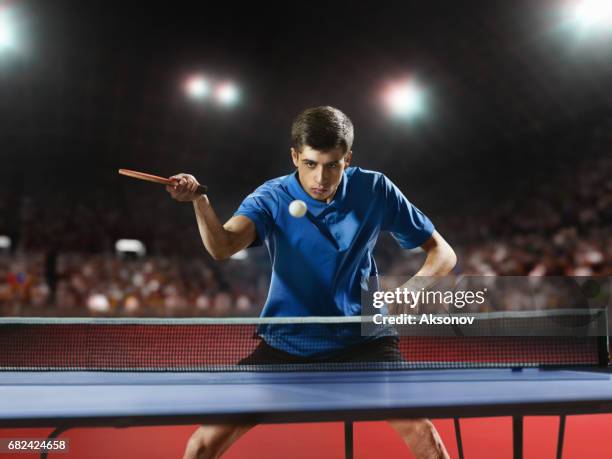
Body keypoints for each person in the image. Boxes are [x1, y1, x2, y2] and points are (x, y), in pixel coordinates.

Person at [167, 106, 456, 459]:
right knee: (200, 446)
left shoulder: (375, 189)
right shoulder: (271, 197)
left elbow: (443, 253)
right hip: (287, 343)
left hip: (363, 340)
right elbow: (223, 246)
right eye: (310, 164)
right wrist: (200, 201)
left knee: (427, 439)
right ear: (295, 156)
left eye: (332, 164)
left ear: (347, 158)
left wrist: (408, 293)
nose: (321, 177)